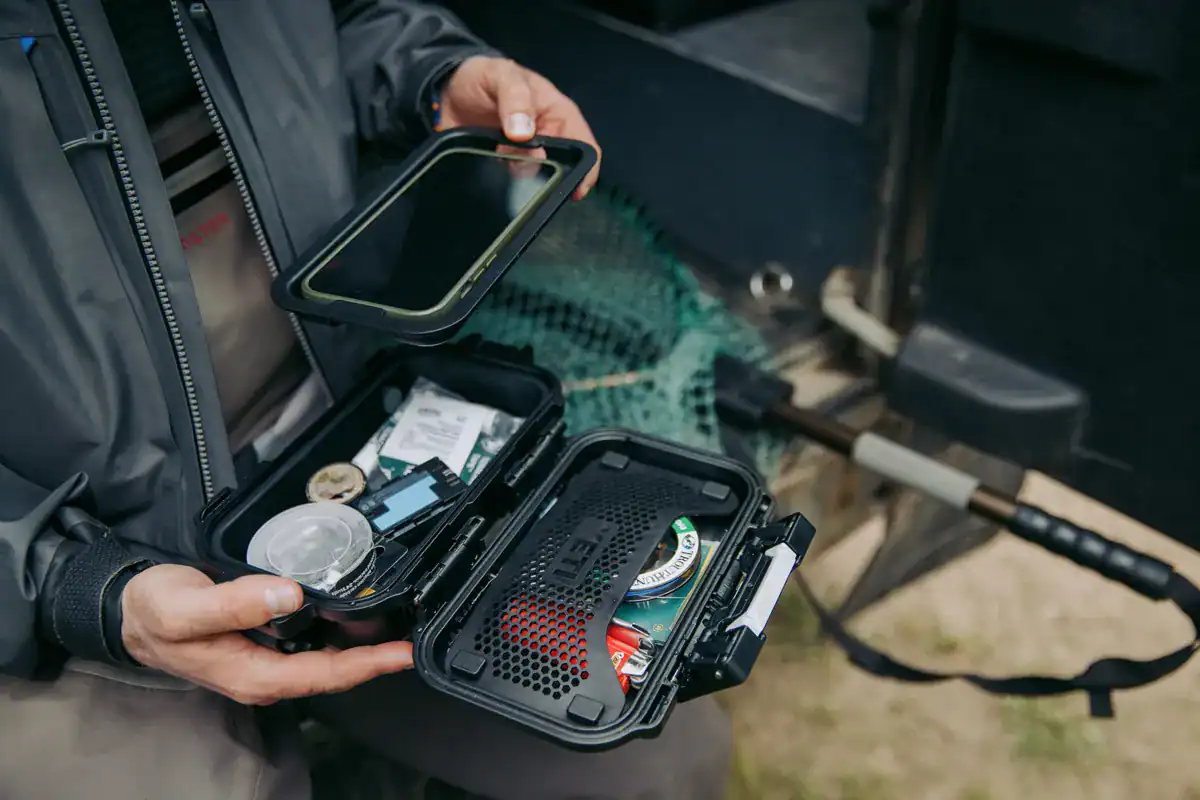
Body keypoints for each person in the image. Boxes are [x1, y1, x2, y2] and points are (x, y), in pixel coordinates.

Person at [0, 1, 733, 798]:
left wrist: (429, 77)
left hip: (351, 429)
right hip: (65, 559)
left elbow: (342, 18)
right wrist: (82, 589)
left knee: (656, 764)